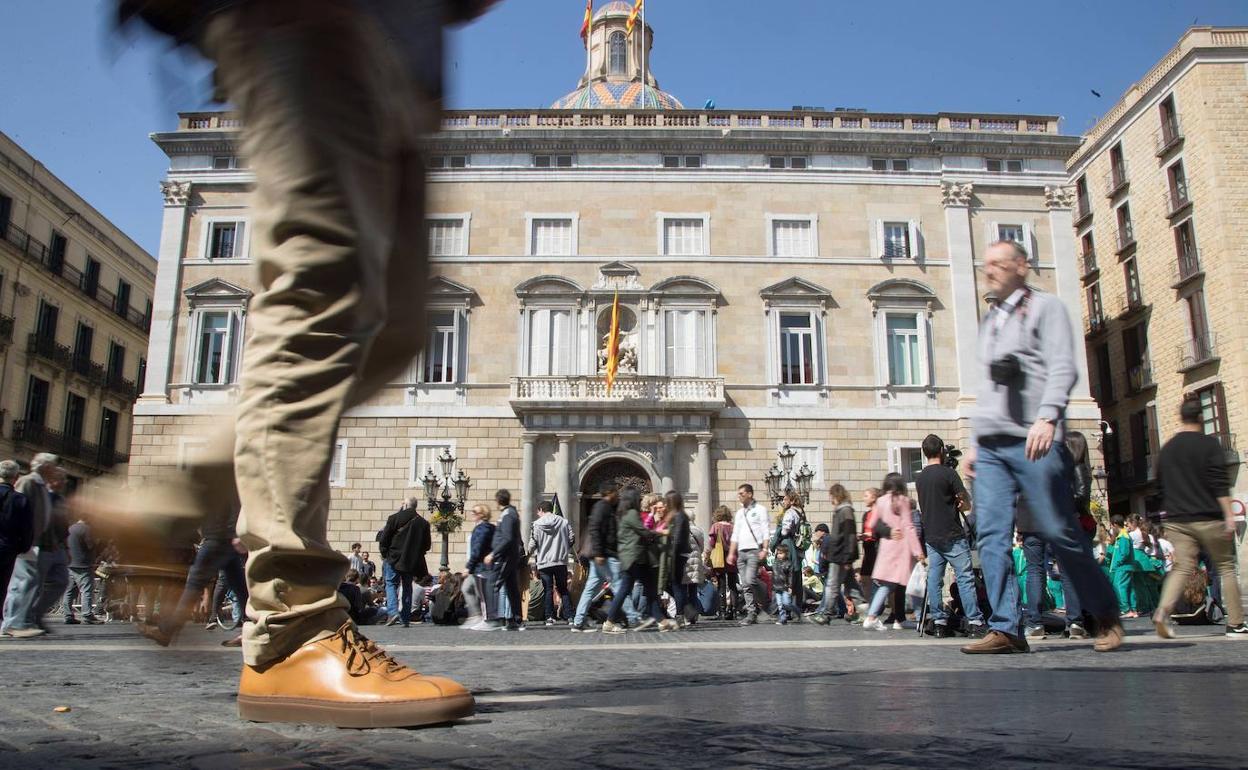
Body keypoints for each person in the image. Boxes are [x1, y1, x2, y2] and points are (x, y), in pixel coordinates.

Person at [100, 0, 496, 726]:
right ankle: (293, 628)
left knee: (396, 328)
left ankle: (163, 502)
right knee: (323, 285)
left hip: (398, 67)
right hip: (311, 17)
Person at [961, 240, 1124, 654]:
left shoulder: (1046, 308)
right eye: (987, 263)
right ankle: (1006, 628)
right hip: (995, 443)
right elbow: (988, 387)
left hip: (1035, 436)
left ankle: (1104, 614)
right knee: (991, 534)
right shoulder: (990, 319)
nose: (989, 269)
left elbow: (1063, 366)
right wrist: (976, 442)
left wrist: (1049, 416)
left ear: (1022, 266)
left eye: (998, 263)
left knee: (1057, 529)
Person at [1153, 398, 1247, 638]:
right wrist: (1228, 515)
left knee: (1182, 566)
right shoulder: (1209, 445)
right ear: (1201, 418)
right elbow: (1219, 483)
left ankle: (1163, 612)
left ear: (1180, 417)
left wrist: (1167, 515)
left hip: (1176, 519)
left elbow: (1160, 486)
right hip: (1208, 516)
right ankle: (1235, 623)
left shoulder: (1168, 449)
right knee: (1226, 567)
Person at [914, 435, 986, 639]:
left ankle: (938, 622)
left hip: (932, 536)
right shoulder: (949, 474)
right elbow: (966, 504)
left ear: (924, 452)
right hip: (952, 534)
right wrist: (959, 501)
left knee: (935, 580)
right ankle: (974, 620)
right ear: (942, 451)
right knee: (965, 578)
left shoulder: (920, 478)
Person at [2, 454, 64, 638]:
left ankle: (23, 620)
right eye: (53, 467)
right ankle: (13, 623)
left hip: (33, 543)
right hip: (25, 543)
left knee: (30, 582)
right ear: (45, 467)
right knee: (22, 582)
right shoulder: (28, 482)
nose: (56, 471)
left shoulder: (40, 485)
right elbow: (16, 510)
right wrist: (23, 541)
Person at [861, 474, 925, 631]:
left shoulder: (881, 501)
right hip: (901, 547)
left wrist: (887, 531)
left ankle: (899, 619)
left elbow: (873, 523)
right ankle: (872, 616)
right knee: (891, 584)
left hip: (886, 546)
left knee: (896, 584)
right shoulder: (902, 500)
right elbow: (909, 526)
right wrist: (918, 551)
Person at [602, 488, 670, 633]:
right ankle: (609, 622)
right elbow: (644, 532)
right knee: (629, 590)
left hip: (632, 557)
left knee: (646, 589)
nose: (640, 500)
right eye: (638, 498)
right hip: (635, 558)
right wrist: (660, 532)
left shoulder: (623, 514)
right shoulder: (632, 513)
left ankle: (662, 621)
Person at [571, 483, 620, 633]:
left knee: (590, 589)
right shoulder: (602, 507)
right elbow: (595, 530)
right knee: (620, 585)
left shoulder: (603, 507)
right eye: (615, 492)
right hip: (603, 555)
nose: (617, 495)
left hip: (600, 555)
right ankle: (634, 618)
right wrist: (599, 552)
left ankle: (578, 622)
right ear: (609, 492)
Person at [378, 498, 432, 628]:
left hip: (393, 558)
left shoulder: (394, 518)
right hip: (410, 561)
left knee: (391, 584)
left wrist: (385, 554)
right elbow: (427, 545)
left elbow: (384, 539)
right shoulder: (423, 523)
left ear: (406, 505)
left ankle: (392, 612)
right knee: (407, 587)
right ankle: (405, 618)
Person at [816, 484, 863, 622]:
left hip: (841, 556)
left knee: (832, 585)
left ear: (836, 495)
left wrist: (848, 558)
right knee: (852, 587)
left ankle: (826, 614)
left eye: (831, 495)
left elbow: (849, 536)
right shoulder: (840, 511)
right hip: (839, 555)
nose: (830, 498)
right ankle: (866, 610)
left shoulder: (845, 511)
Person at [728, 484, 771, 626]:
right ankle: (751, 613)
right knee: (745, 584)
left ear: (750, 494)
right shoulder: (740, 513)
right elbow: (735, 534)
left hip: (754, 550)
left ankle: (766, 601)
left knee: (751, 580)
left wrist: (765, 548)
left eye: (742, 493)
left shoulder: (760, 510)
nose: (739, 496)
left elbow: (765, 529)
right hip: (741, 551)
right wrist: (731, 553)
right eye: (738, 493)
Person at [528, 499, 574, 626]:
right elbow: (571, 538)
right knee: (563, 589)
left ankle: (549, 617)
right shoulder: (564, 521)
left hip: (544, 562)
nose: (538, 514)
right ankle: (570, 616)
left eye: (538, 512)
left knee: (548, 590)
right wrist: (564, 548)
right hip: (560, 561)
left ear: (541, 510)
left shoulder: (536, 524)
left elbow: (533, 543)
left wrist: (528, 553)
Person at [0, 460, 33, 627]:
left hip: (8, 546)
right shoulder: (20, 500)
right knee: (2, 586)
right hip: (8, 548)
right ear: (16, 477)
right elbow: (27, 528)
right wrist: (22, 547)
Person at [484, 490, 523, 630]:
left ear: (498, 501)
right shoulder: (512, 513)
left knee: (492, 585)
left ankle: (493, 618)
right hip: (510, 556)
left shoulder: (507, 515)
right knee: (512, 588)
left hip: (504, 557)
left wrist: (493, 554)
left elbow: (507, 538)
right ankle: (516, 620)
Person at [462, 504, 495, 628]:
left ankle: (485, 619)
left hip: (480, 567)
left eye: (475, 512)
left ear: (482, 514)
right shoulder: (484, 527)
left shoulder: (483, 528)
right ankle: (477, 616)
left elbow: (477, 549)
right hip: (477, 566)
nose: (472, 514)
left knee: (481, 594)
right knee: (469, 589)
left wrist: (468, 567)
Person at [663, 491, 694, 626]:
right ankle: (687, 610)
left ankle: (681, 614)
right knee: (673, 585)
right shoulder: (677, 515)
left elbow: (677, 538)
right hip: (676, 554)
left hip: (677, 555)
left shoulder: (680, 516)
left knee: (676, 585)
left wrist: (672, 555)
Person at [772, 492, 807, 602]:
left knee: (786, 572)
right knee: (796, 574)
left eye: (785, 499)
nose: (783, 501)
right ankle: (797, 604)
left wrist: (780, 530)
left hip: (788, 543)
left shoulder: (790, 512)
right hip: (798, 546)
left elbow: (784, 531)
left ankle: (785, 604)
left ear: (791, 501)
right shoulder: (800, 512)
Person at [705, 505, 737, 620]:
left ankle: (722, 611)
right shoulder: (733, 527)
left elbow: (712, 543)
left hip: (720, 557)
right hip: (733, 556)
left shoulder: (715, 526)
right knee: (733, 585)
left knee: (721, 585)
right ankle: (734, 611)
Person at [771, 544, 798, 625]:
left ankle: (796, 610)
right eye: (778, 553)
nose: (779, 555)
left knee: (786, 603)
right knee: (780, 603)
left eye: (781, 553)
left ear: (786, 553)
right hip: (777, 587)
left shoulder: (788, 564)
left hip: (785, 587)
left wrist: (790, 586)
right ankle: (783, 619)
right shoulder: (775, 563)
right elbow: (770, 568)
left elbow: (790, 576)